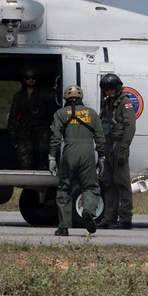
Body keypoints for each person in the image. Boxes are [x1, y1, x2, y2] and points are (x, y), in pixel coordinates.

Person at [49, 85, 105, 237]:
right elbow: (100, 138)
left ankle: (63, 227)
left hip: (69, 153)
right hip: (87, 153)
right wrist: (101, 157)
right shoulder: (92, 114)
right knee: (91, 187)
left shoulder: (61, 113)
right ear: (81, 97)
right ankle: (88, 210)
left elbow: (55, 137)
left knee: (64, 189)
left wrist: (52, 157)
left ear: (65, 98)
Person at [96, 73, 136, 230]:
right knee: (108, 183)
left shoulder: (125, 103)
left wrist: (124, 148)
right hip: (107, 146)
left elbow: (130, 127)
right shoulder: (106, 105)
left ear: (117, 88)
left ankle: (125, 219)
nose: (109, 92)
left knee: (122, 183)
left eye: (112, 89)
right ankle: (109, 218)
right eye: (106, 90)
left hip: (119, 146)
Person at [7, 67, 58, 171]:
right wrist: (12, 136)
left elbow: (55, 98)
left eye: (33, 77)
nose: (31, 80)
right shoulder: (19, 96)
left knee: (43, 151)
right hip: (24, 130)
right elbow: (13, 117)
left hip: (41, 128)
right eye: (28, 77)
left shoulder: (43, 94)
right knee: (25, 160)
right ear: (24, 79)